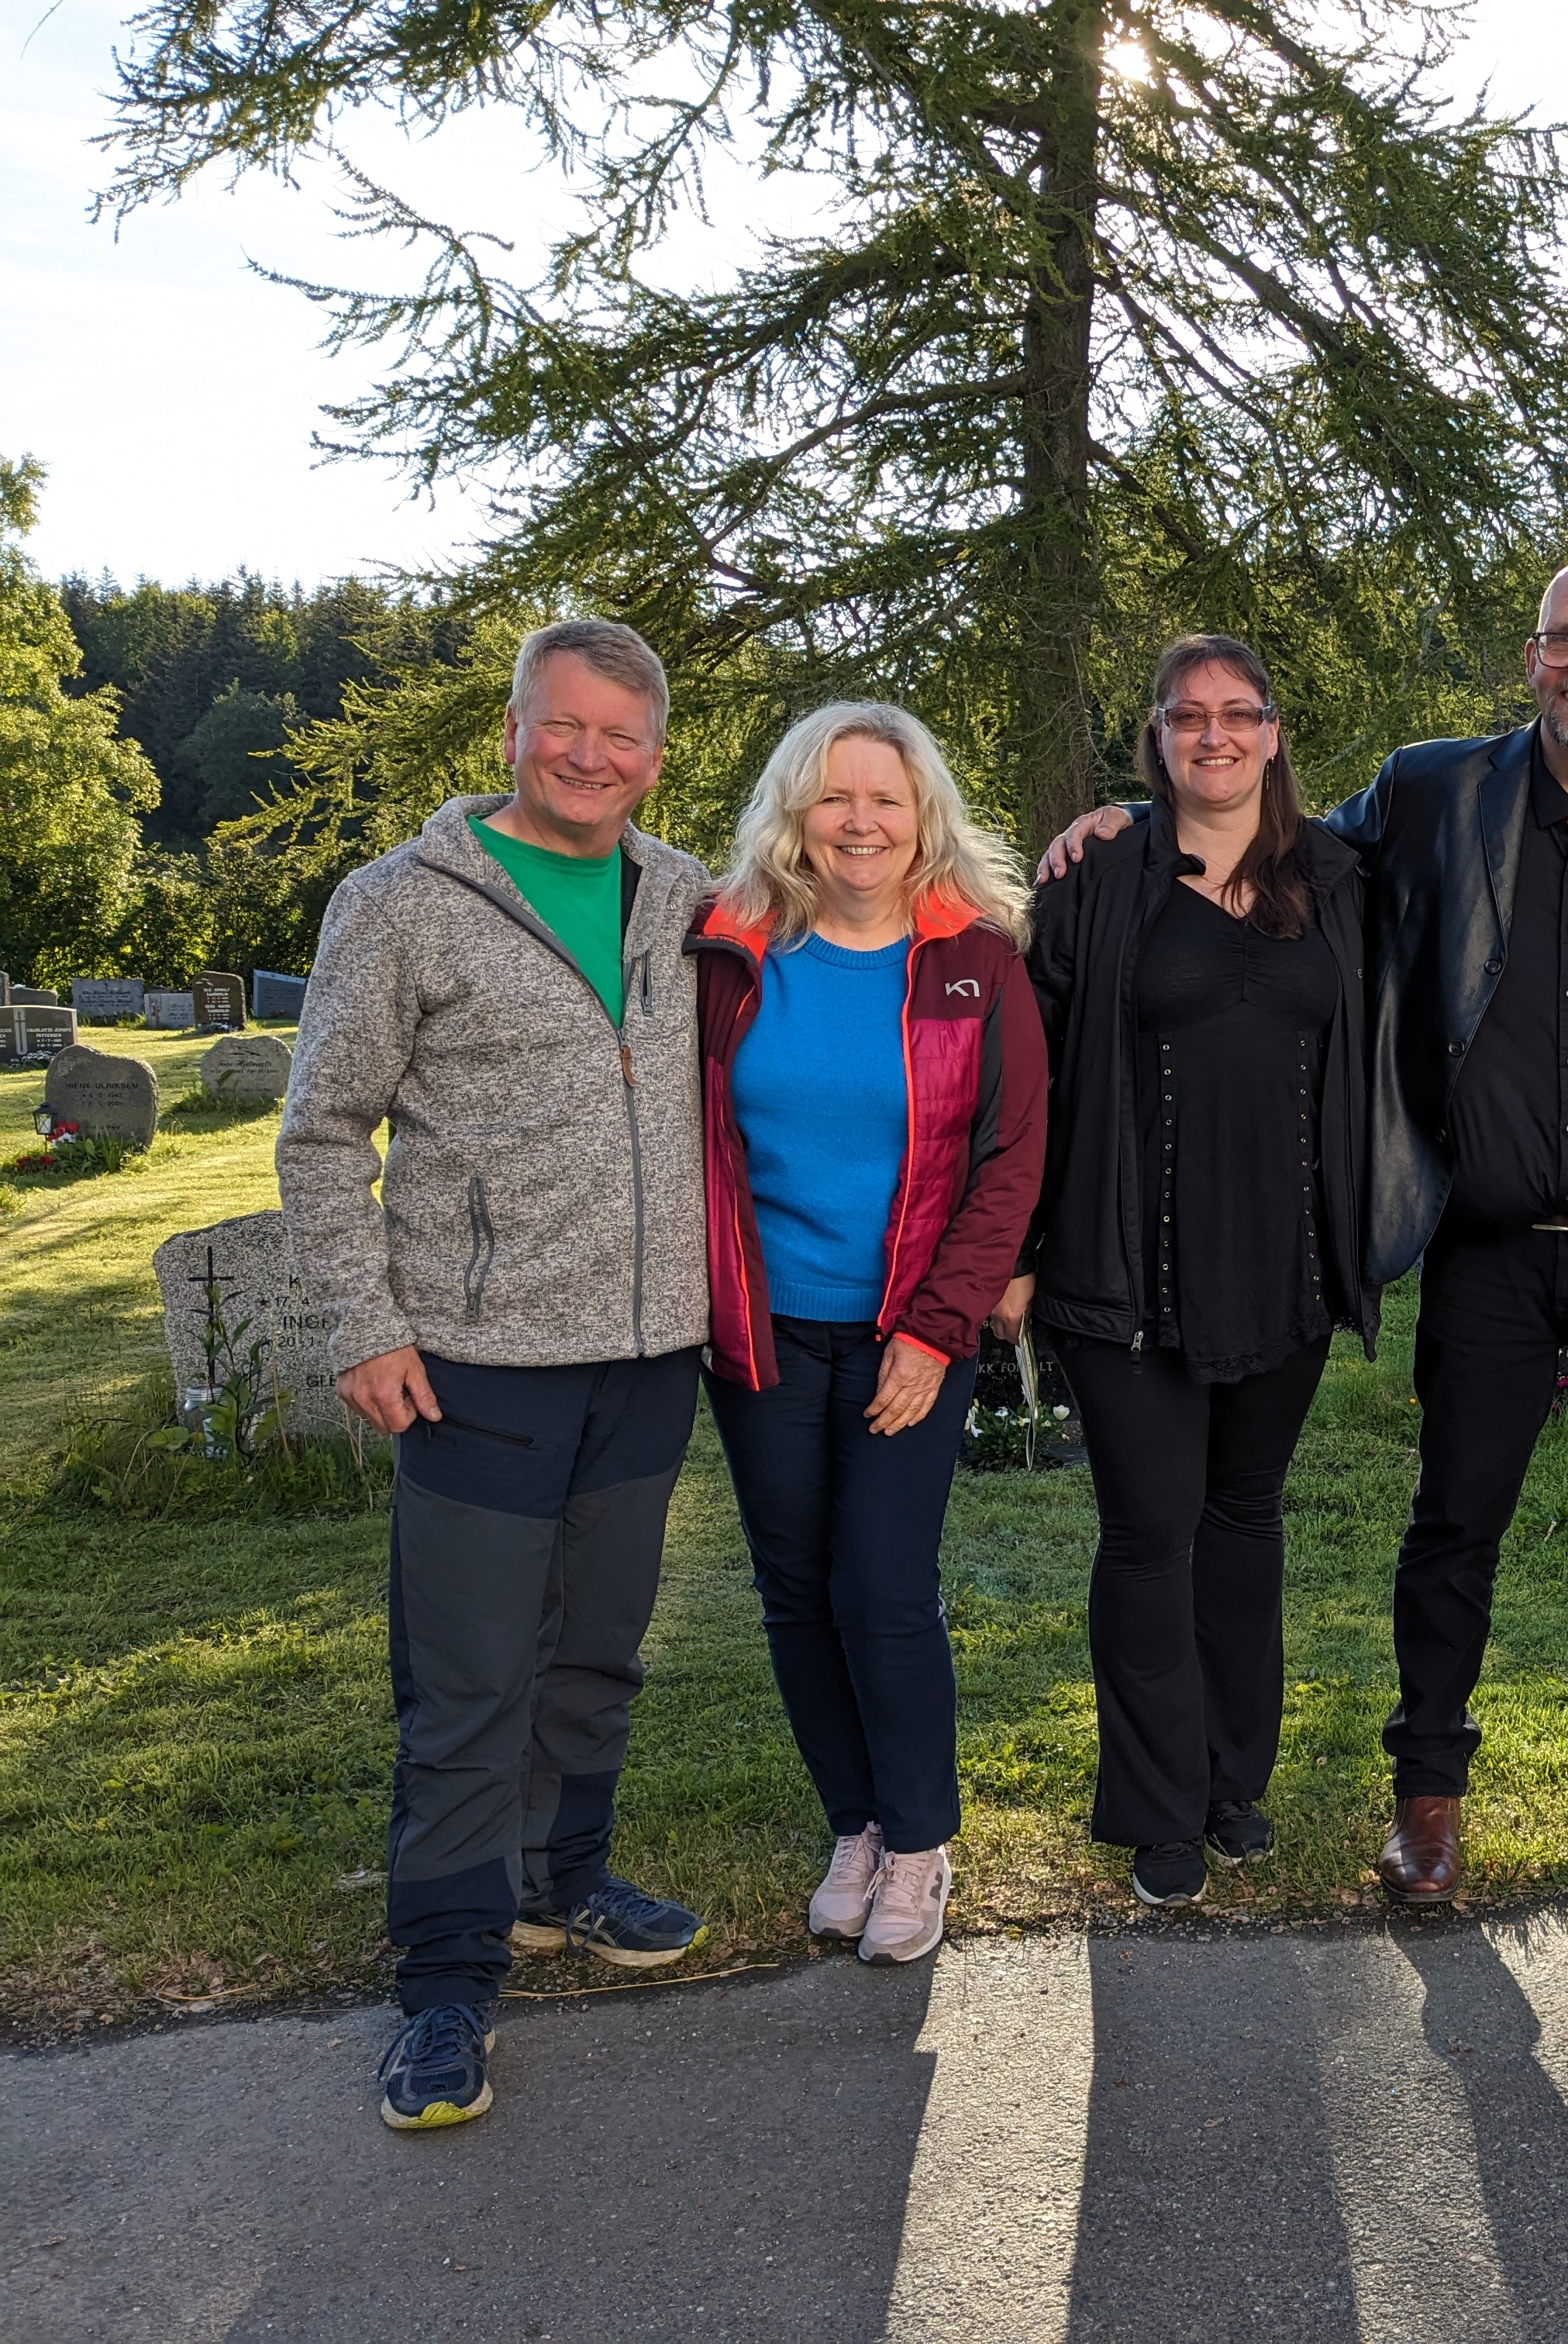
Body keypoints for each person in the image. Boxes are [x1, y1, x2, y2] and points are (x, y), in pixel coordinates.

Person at [1041, 558, 1568, 1899]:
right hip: (1486, 1238)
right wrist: (1125, 825)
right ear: (1531, 656)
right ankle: (1428, 1795)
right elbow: (1258, 840)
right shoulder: (1435, 789)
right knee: (1452, 1523)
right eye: (1566, 641)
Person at [282, 618, 715, 2132]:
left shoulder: (690, 903)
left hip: (653, 1359)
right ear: (518, 730)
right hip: (472, 1368)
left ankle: (564, 1881)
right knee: (467, 1688)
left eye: (621, 735)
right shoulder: (402, 904)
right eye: (564, 725)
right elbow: (323, 1128)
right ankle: (449, 1985)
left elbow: (873, 918)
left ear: (656, 758)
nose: (589, 754)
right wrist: (361, 1319)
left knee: (596, 1658)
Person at [994, 636, 1374, 1907]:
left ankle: (1231, 1783)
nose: (1214, 736)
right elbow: (1030, 1068)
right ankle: (1157, 1807)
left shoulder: (1338, 876)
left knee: (1245, 1525)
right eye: (1185, 718)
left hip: (1289, 1267)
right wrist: (1015, 1252)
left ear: (1274, 732)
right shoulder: (1102, 873)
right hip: (1125, 1263)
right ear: (1154, 740)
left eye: (1238, 715)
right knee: (1150, 1536)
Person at [691, 702, 1044, 1968]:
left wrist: (939, 1334)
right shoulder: (727, 954)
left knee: (882, 1588)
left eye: (884, 799)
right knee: (795, 1593)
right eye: (834, 798)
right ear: (794, 811)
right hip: (763, 1332)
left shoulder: (974, 962)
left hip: (910, 1333)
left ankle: (920, 1841)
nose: (859, 821)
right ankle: (855, 1827)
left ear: (922, 814)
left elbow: (1009, 1165)